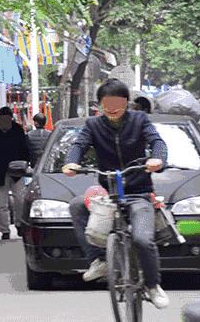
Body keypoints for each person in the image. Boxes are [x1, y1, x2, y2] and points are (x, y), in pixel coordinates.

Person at [62, 78, 170, 309]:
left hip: (139, 193)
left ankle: (153, 285)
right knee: (77, 205)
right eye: (106, 103)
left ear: (127, 103)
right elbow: (79, 146)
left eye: (117, 102)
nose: (112, 108)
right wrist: (71, 163)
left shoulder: (140, 120)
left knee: (142, 239)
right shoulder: (93, 125)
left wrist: (157, 159)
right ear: (100, 104)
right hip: (108, 193)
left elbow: (157, 142)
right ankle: (97, 261)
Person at [0, 106, 30, 240]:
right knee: (2, 203)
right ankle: (5, 230)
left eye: (7, 118)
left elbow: (26, 148)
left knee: (19, 199)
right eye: (3, 118)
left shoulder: (17, 129)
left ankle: (20, 224)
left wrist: (26, 163)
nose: (5, 121)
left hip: (17, 170)